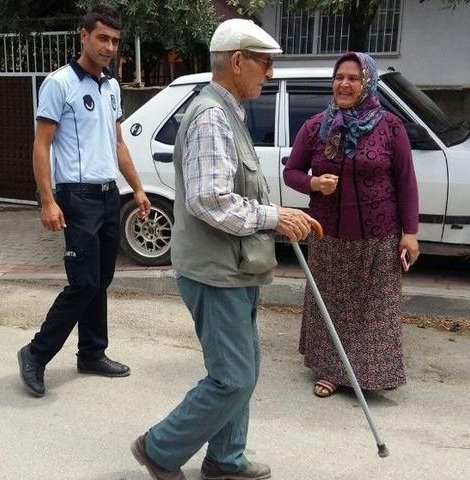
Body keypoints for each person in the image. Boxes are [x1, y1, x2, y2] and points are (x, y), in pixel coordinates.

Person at [131, 19, 315, 480]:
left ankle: (226, 459)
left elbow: (235, 189)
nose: (268, 74)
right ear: (237, 61)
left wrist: (276, 213)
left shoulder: (228, 110)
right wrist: (275, 217)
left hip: (234, 267)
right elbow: (208, 200)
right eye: (264, 64)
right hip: (215, 271)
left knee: (244, 372)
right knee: (232, 377)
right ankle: (159, 448)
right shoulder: (212, 115)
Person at [17, 4, 151, 398]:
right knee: (83, 282)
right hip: (76, 197)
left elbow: (118, 143)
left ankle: (92, 352)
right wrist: (47, 201)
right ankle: (36, 353)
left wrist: (138, 188)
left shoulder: (110, 87)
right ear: (84, 36)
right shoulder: (59, 84)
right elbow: (41, 146)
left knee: (101, 280)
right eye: (102, 38)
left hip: (109, 194)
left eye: (114, 40)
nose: (109, 46)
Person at [283, 51, 419, 398]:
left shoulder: (390, 127)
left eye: (353, 78)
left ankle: (368, 374)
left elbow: (405, 181)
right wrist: (313, 184)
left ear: (367, 82)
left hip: (379, 236)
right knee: (331, 306)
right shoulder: (316, 127)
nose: (344, 84)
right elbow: (292, 172)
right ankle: (331, 370)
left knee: (375, 307)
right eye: (339, 77)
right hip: (328, 235)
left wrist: (410, 233)